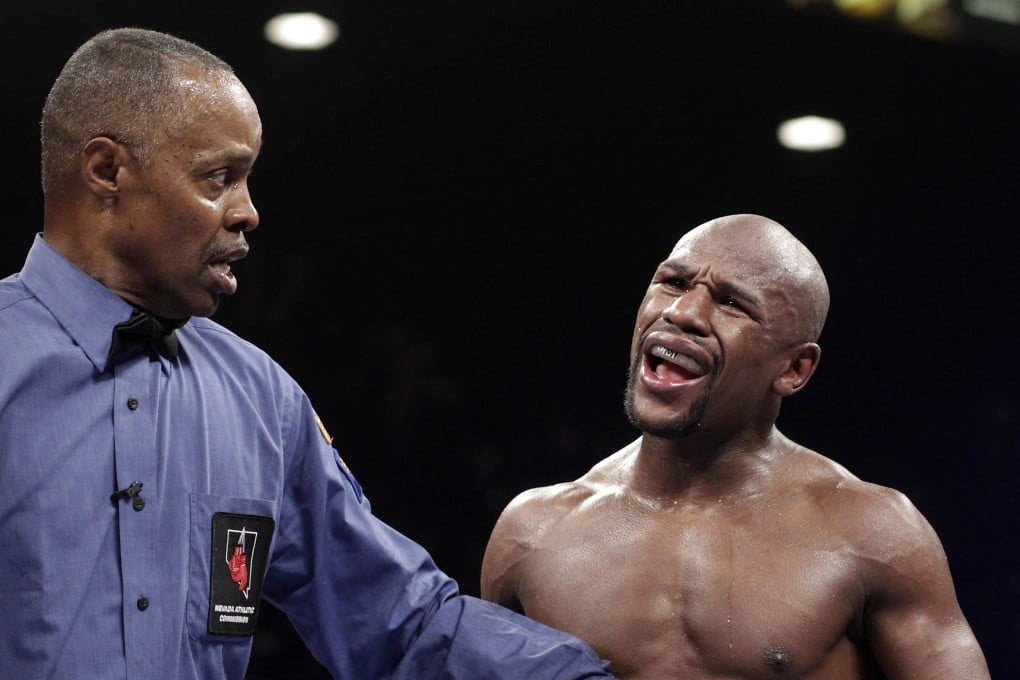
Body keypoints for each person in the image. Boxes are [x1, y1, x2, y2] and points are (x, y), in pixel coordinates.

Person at [0, 28, 616, 679]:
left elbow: (396, 619)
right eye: (218, 177)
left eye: (247, 180)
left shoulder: (261, 400)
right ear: (107, 171)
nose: (248, 213)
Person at [481, 214, 990, 679]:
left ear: (794, 369)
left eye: (731, 303)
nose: (683, 313)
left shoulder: (872, 533)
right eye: (674, 282)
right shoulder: (533, 532)